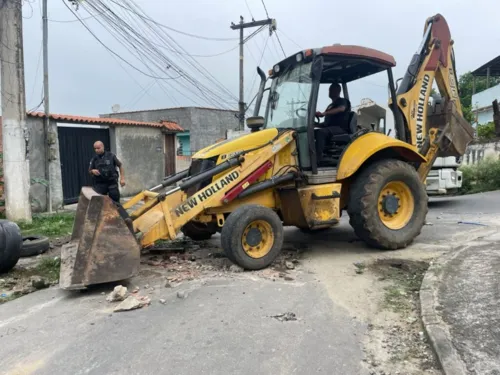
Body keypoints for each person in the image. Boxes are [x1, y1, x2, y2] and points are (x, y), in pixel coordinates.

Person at [314, 83, 351, 163]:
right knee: (313, 132)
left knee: (321, 132)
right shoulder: (331, 105)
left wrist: (324, 113)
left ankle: (319, 158)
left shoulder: (342, 101)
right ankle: (312, 155)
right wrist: (315, 124)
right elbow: (327, 123)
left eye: (332, 89)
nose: (330, 91)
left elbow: (341, 109)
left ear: (338, 91)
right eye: (329, 90)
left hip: (341, 129)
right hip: (331, 128)